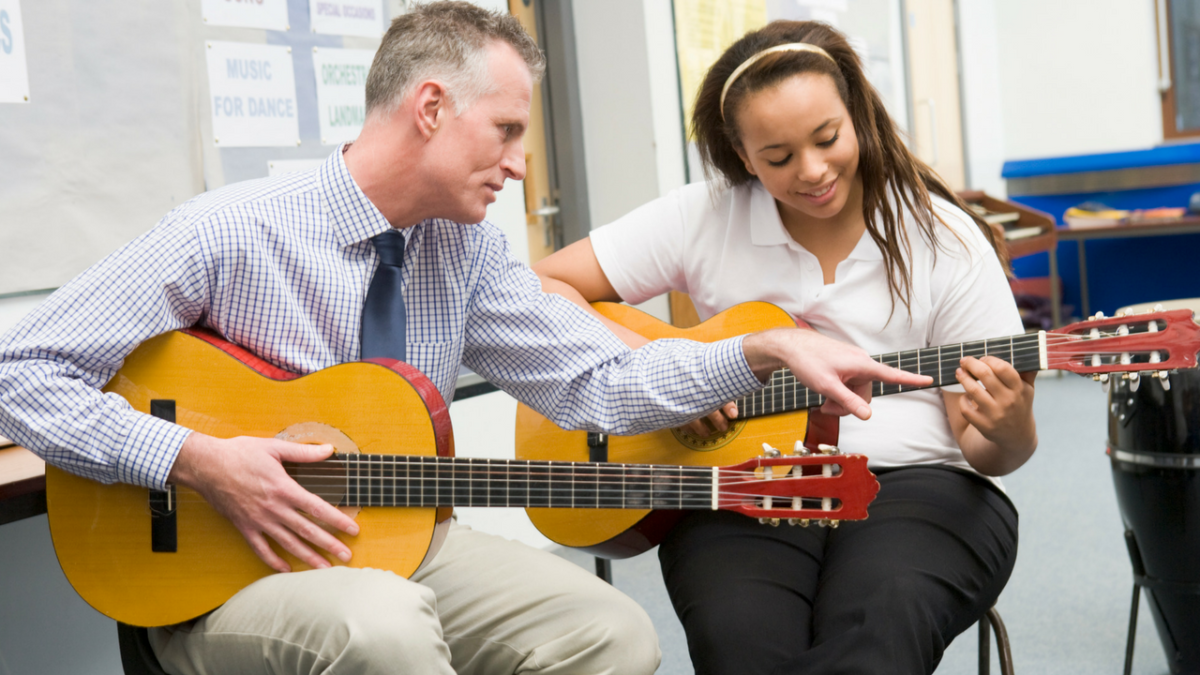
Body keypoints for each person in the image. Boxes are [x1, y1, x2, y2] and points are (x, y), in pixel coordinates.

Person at [0, 6, 929, 675]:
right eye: (509, 130)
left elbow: (598, 383)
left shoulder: (468, 253)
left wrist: (758, 353)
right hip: (223, 577)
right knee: (387, 627)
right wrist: (198, 457)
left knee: (610, 635)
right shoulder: (227, 231)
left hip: (398, 542)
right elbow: (23, 371)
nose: (523, 163)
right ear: (433, 108)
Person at [534, 19, 1037, 675]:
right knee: (741, 640)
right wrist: (658, 373)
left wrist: (1011, 427)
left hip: (922, 484)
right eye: (777, 157)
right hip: (748, 484)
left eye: (828, 138)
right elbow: (541, 285)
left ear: (855, 116)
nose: (814, 170)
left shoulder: (944, 238)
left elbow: (991, 451)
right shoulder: (704, 215)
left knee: (878, 623)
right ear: (743, 156)